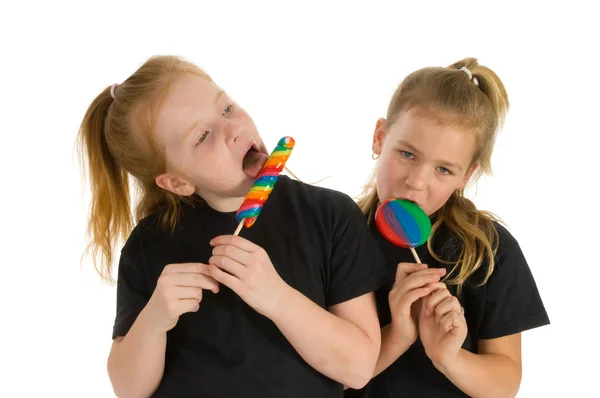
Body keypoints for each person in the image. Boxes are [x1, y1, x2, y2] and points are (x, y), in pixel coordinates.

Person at [77, 55, 388, 398]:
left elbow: (358, 369)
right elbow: (128, 389)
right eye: (203, 136)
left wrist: (276, 297)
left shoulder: (330, 215)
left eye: (225, 108)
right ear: (177, 182)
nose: (234, 129)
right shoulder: (148, 244)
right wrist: (154, 319)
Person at [346, 58, 550, 397]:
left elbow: (505, 384)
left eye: (443, 170)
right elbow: (321, 373)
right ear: (380, 138)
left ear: (465, 177)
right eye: (407, 154)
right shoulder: (337, 234)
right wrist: (398, 334)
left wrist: (448, 358)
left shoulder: (489, 250)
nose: (416, 182)